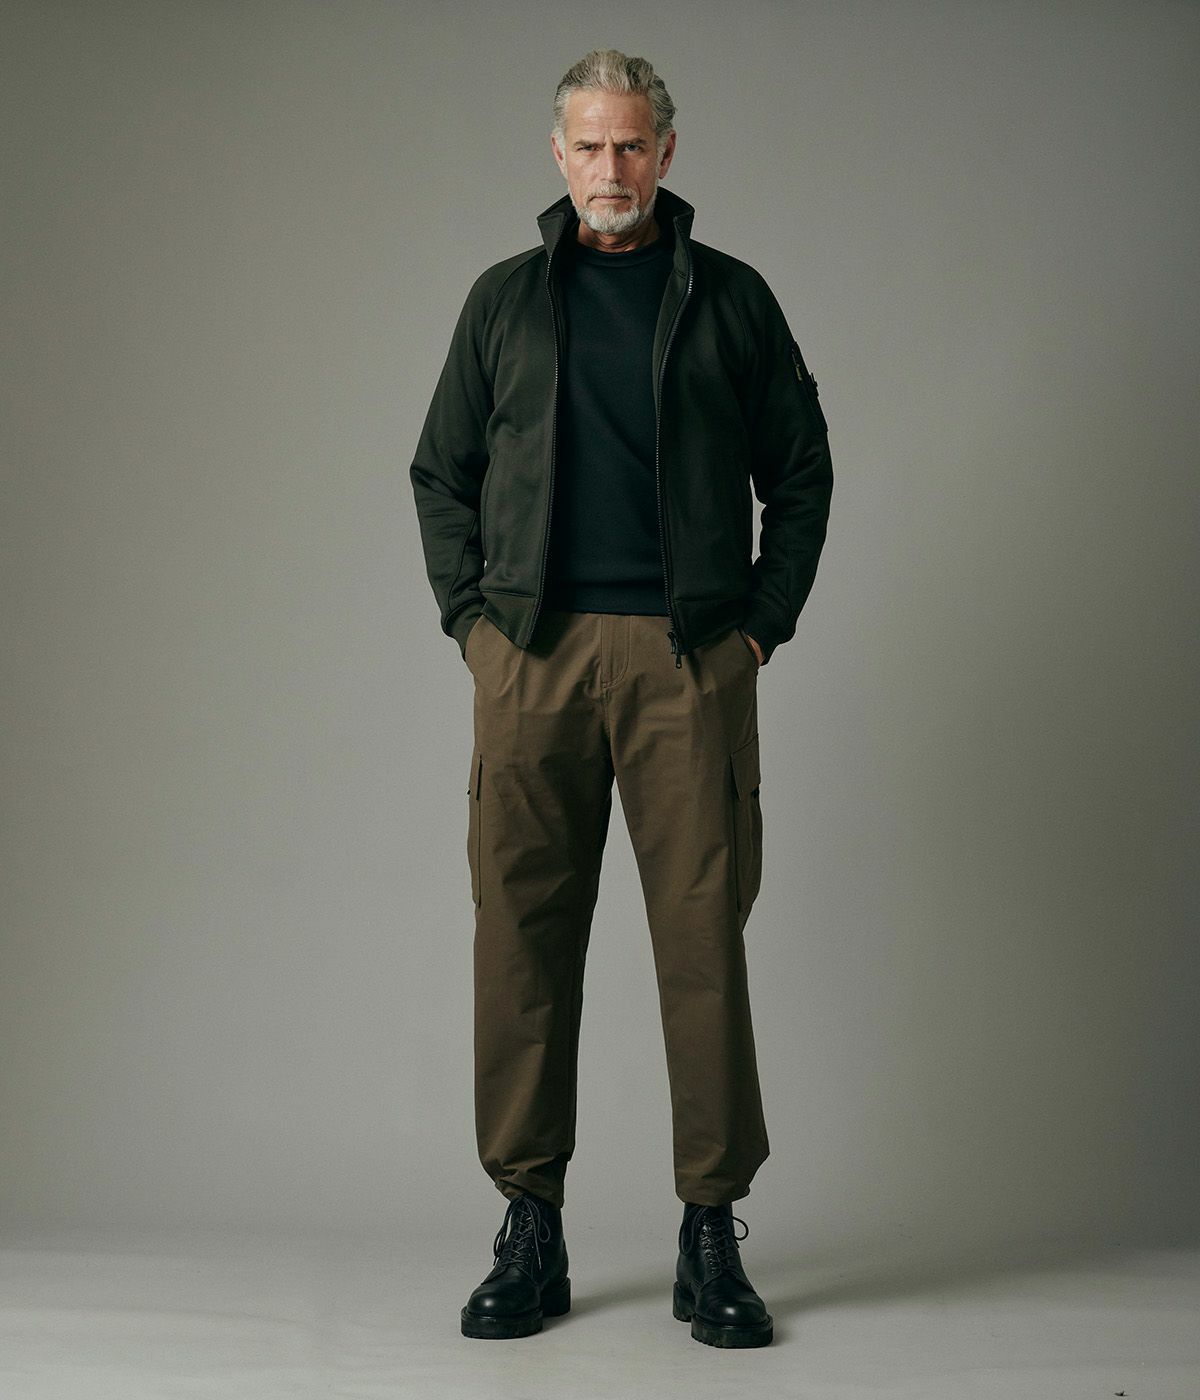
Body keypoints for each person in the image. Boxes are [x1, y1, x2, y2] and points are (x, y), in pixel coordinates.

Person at [409, 48, 833, 1348]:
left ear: (666, 152)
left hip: (686, 662)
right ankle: (529, 1226)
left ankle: (710, 1232)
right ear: (558, 154)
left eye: (632, 145)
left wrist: (755, 630)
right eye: (590, 146)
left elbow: (802, 470)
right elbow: (440, 473)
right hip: (531, 660)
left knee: (702, 944)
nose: (612, 168)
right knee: (520, 940)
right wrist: (476, 631)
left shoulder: (731, 300)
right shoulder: (504, 302)